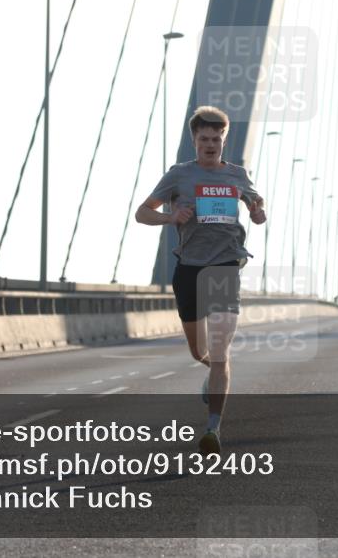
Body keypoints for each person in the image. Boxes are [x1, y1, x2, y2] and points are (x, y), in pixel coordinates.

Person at [135, 106, 265, 456]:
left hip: (225, 267)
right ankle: (212, 370)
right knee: (200, 352)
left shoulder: (237, 175)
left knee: (221, 352)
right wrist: (170, 216)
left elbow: (258, 206)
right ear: (194, 141)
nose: (211, 144)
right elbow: (141, 212)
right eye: (204, 139)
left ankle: (212, 429)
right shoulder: (179, 175)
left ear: (224, 140)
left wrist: (257, 211)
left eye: (216, 139)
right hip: (189, 268)